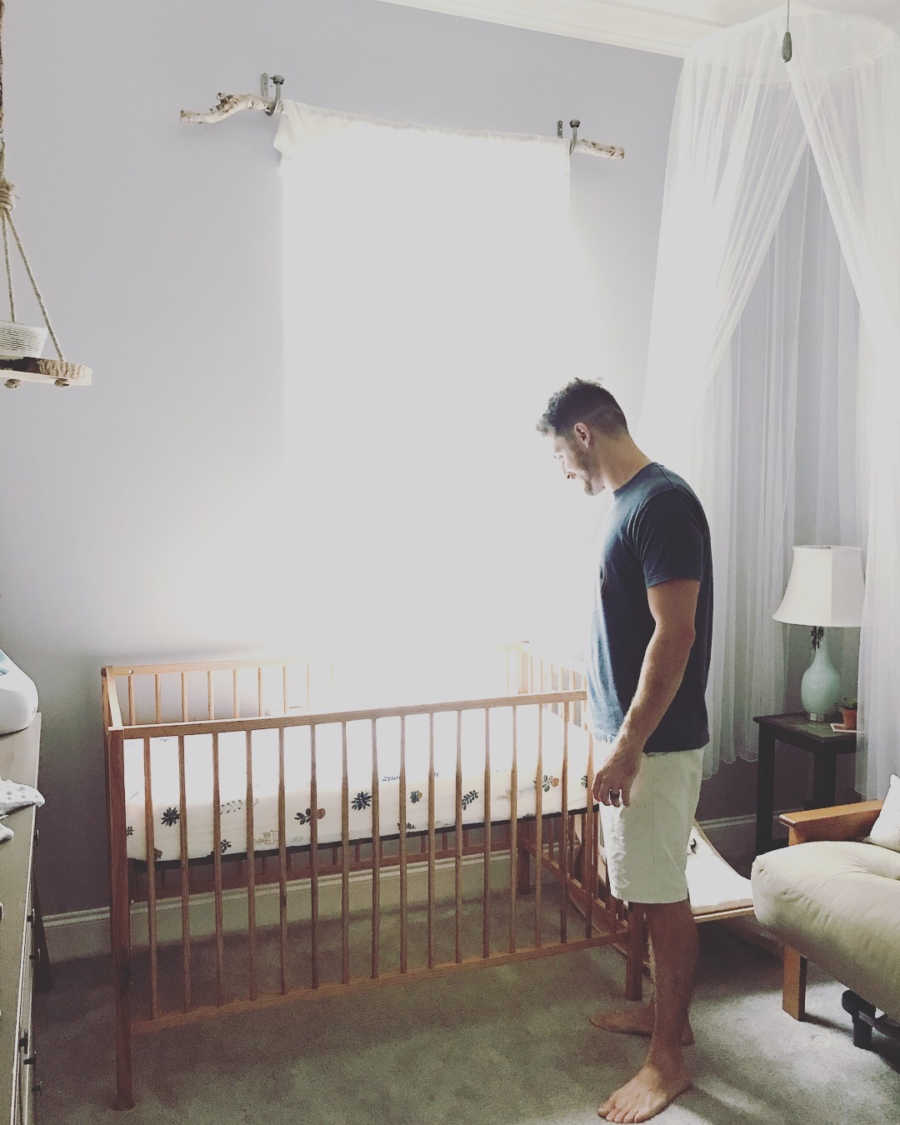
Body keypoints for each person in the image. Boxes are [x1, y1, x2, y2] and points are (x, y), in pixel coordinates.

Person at [537, 378, 713, 1124]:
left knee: (663, 895)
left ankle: (669, 1057)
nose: (563, 472)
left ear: (583, 433)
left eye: (559, 455)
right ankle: (663, 1019)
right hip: (632, 740)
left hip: (657, 746)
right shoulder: (631, 506)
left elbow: (675, 635)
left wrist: (629, 745)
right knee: (643, 885)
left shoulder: (662, 503)